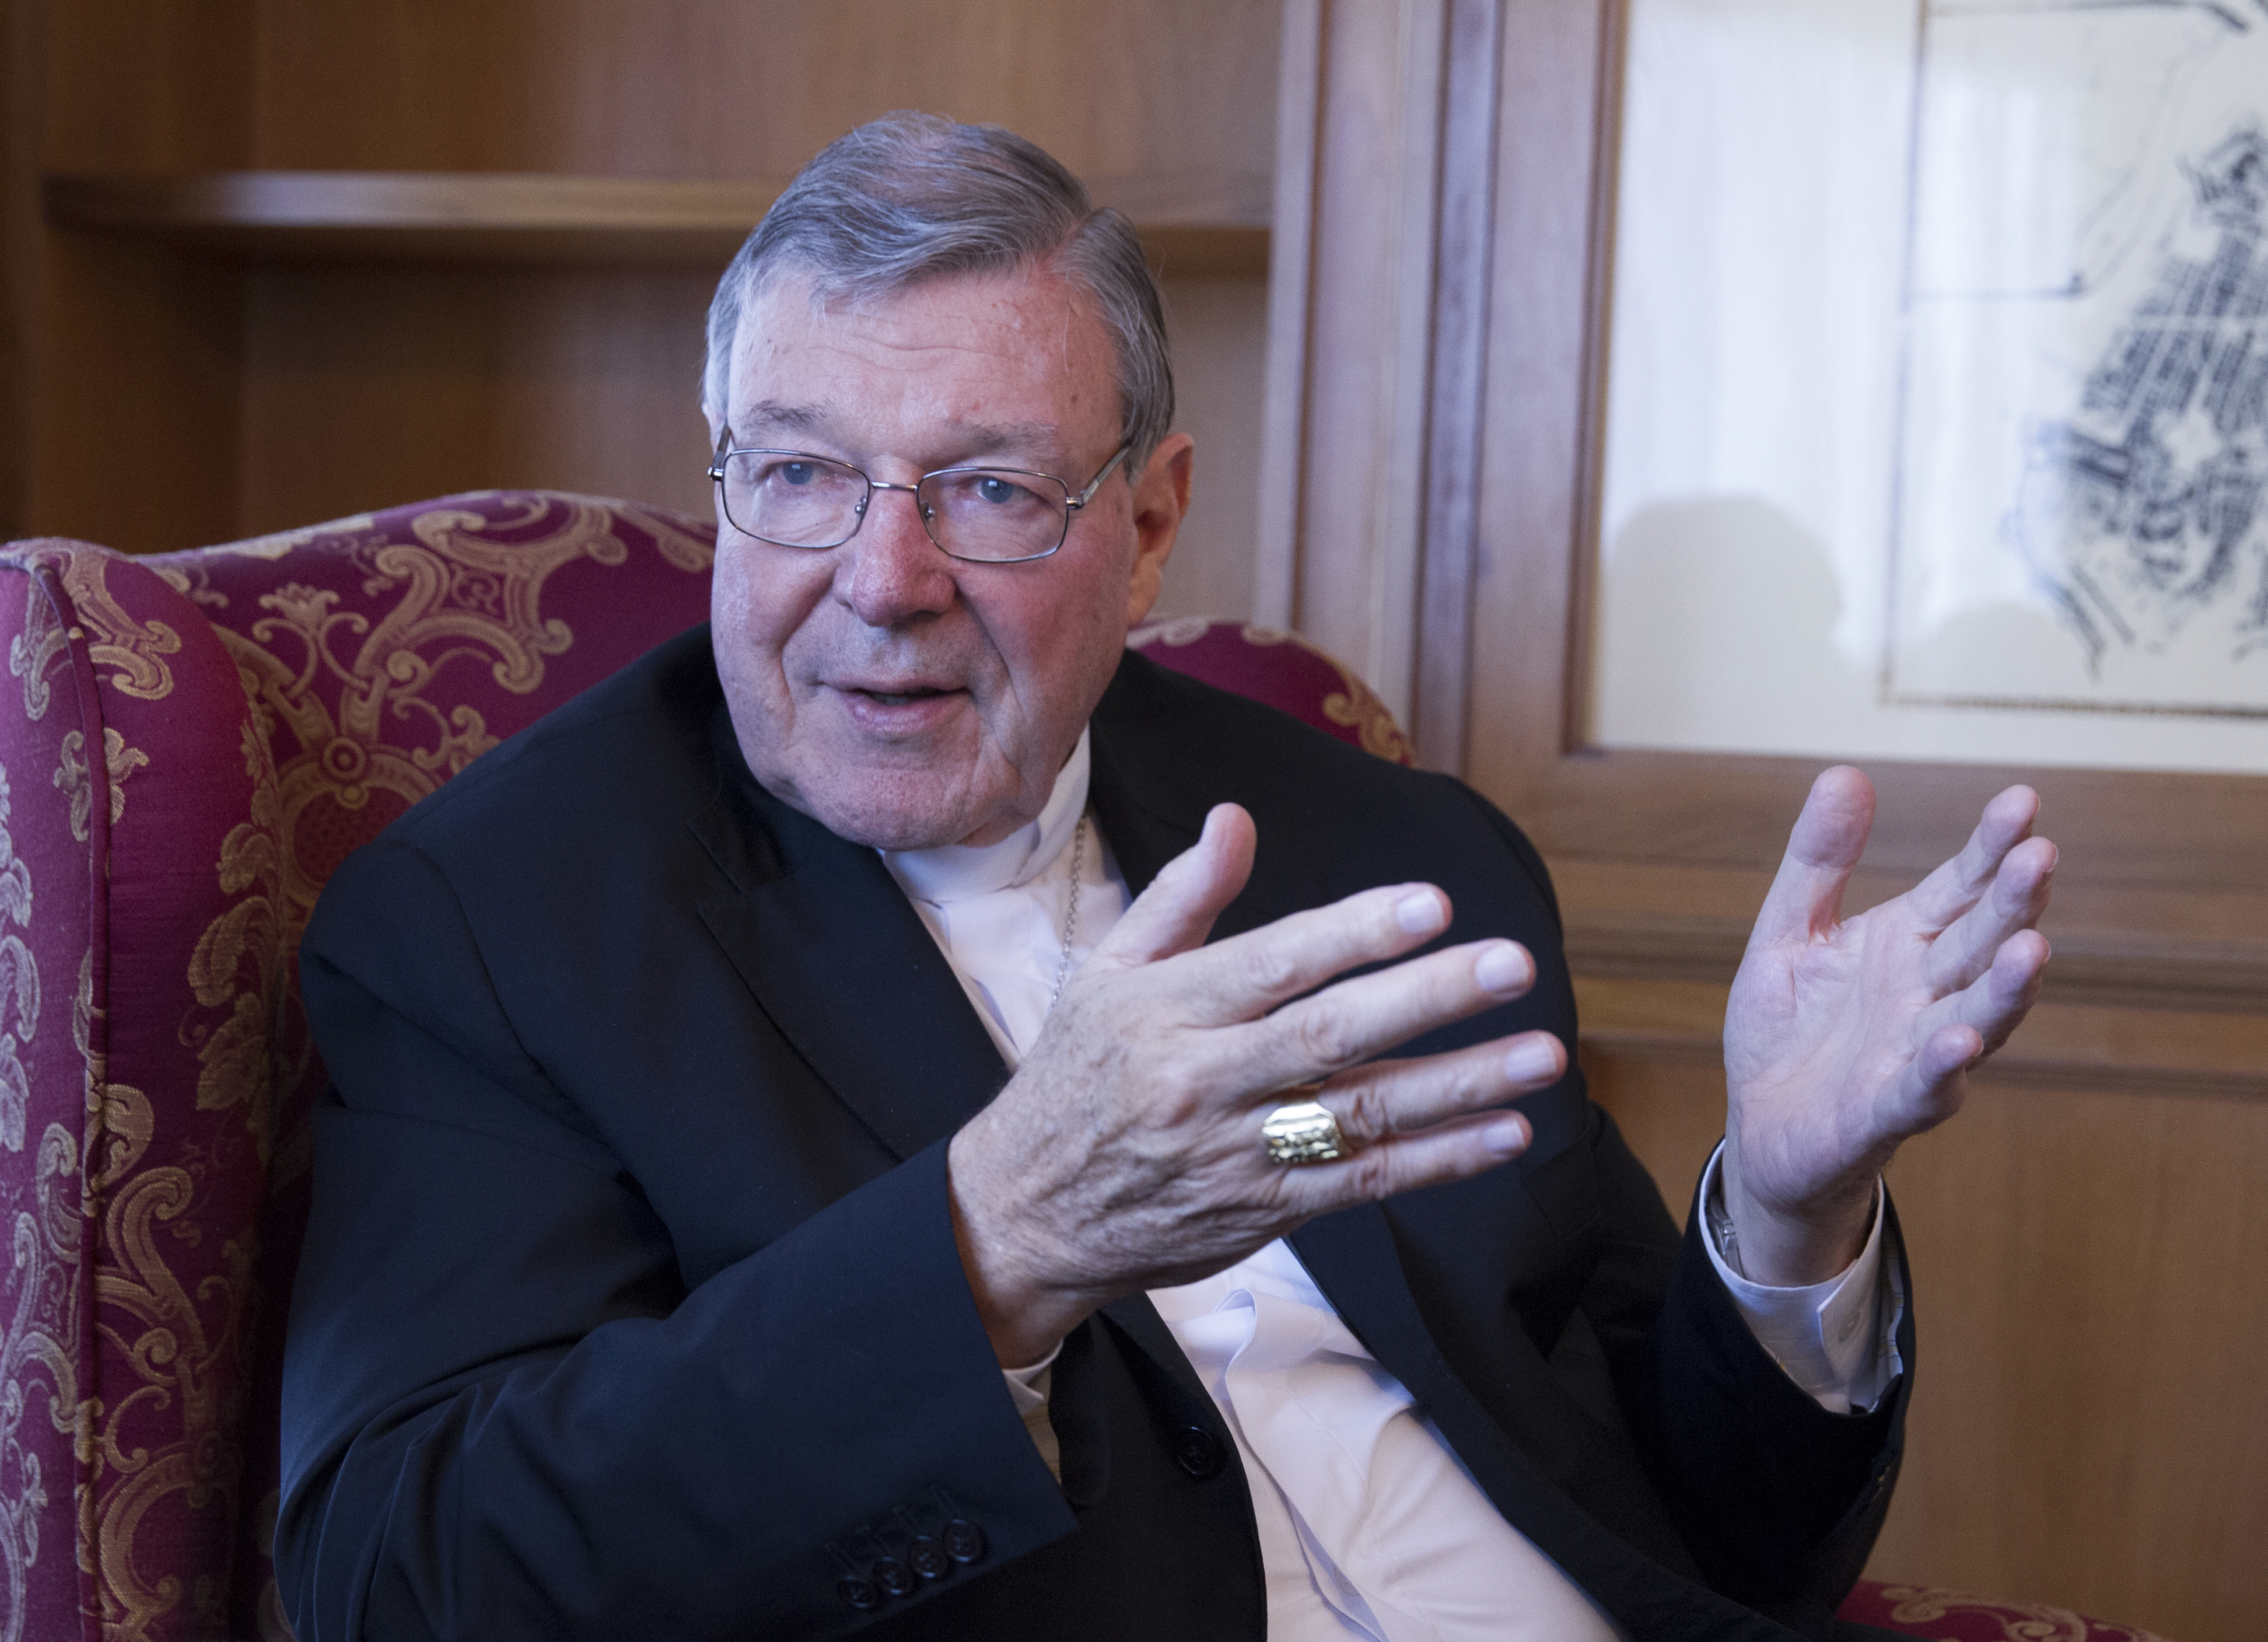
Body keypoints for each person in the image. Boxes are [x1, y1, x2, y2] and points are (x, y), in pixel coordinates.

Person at [276, 114, 2055, 1642]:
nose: (880, 578)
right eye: (802, 474)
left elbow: (1694, 1527)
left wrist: (1785, 1225)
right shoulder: (499, 926)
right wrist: (1005, 1241)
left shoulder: (1388, 853)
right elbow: (404, 1569)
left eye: (984, 489)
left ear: (1144, 529)